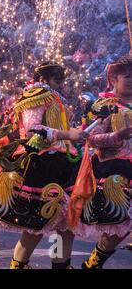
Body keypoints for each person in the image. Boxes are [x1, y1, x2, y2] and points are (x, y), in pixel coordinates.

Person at [0, 62, 89, 269]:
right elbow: (33, 132)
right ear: (43, 80)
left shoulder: (52, 97)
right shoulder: (36, 96)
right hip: (42, 166)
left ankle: (60, 264)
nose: (61, 85)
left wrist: (73, 134)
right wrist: (67, 134)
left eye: (62, 81)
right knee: (36, 224)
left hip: (61, 166)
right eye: (57, 80)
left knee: (65, 224)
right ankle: (19, 265)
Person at [79, 54, 132, 269]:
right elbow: (90, 137)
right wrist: (116, 136)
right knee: (120, 225)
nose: (131, 80)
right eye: (126, 76)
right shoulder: (106, 107)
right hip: (117, 171)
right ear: (114, 79)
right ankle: (93, 263)